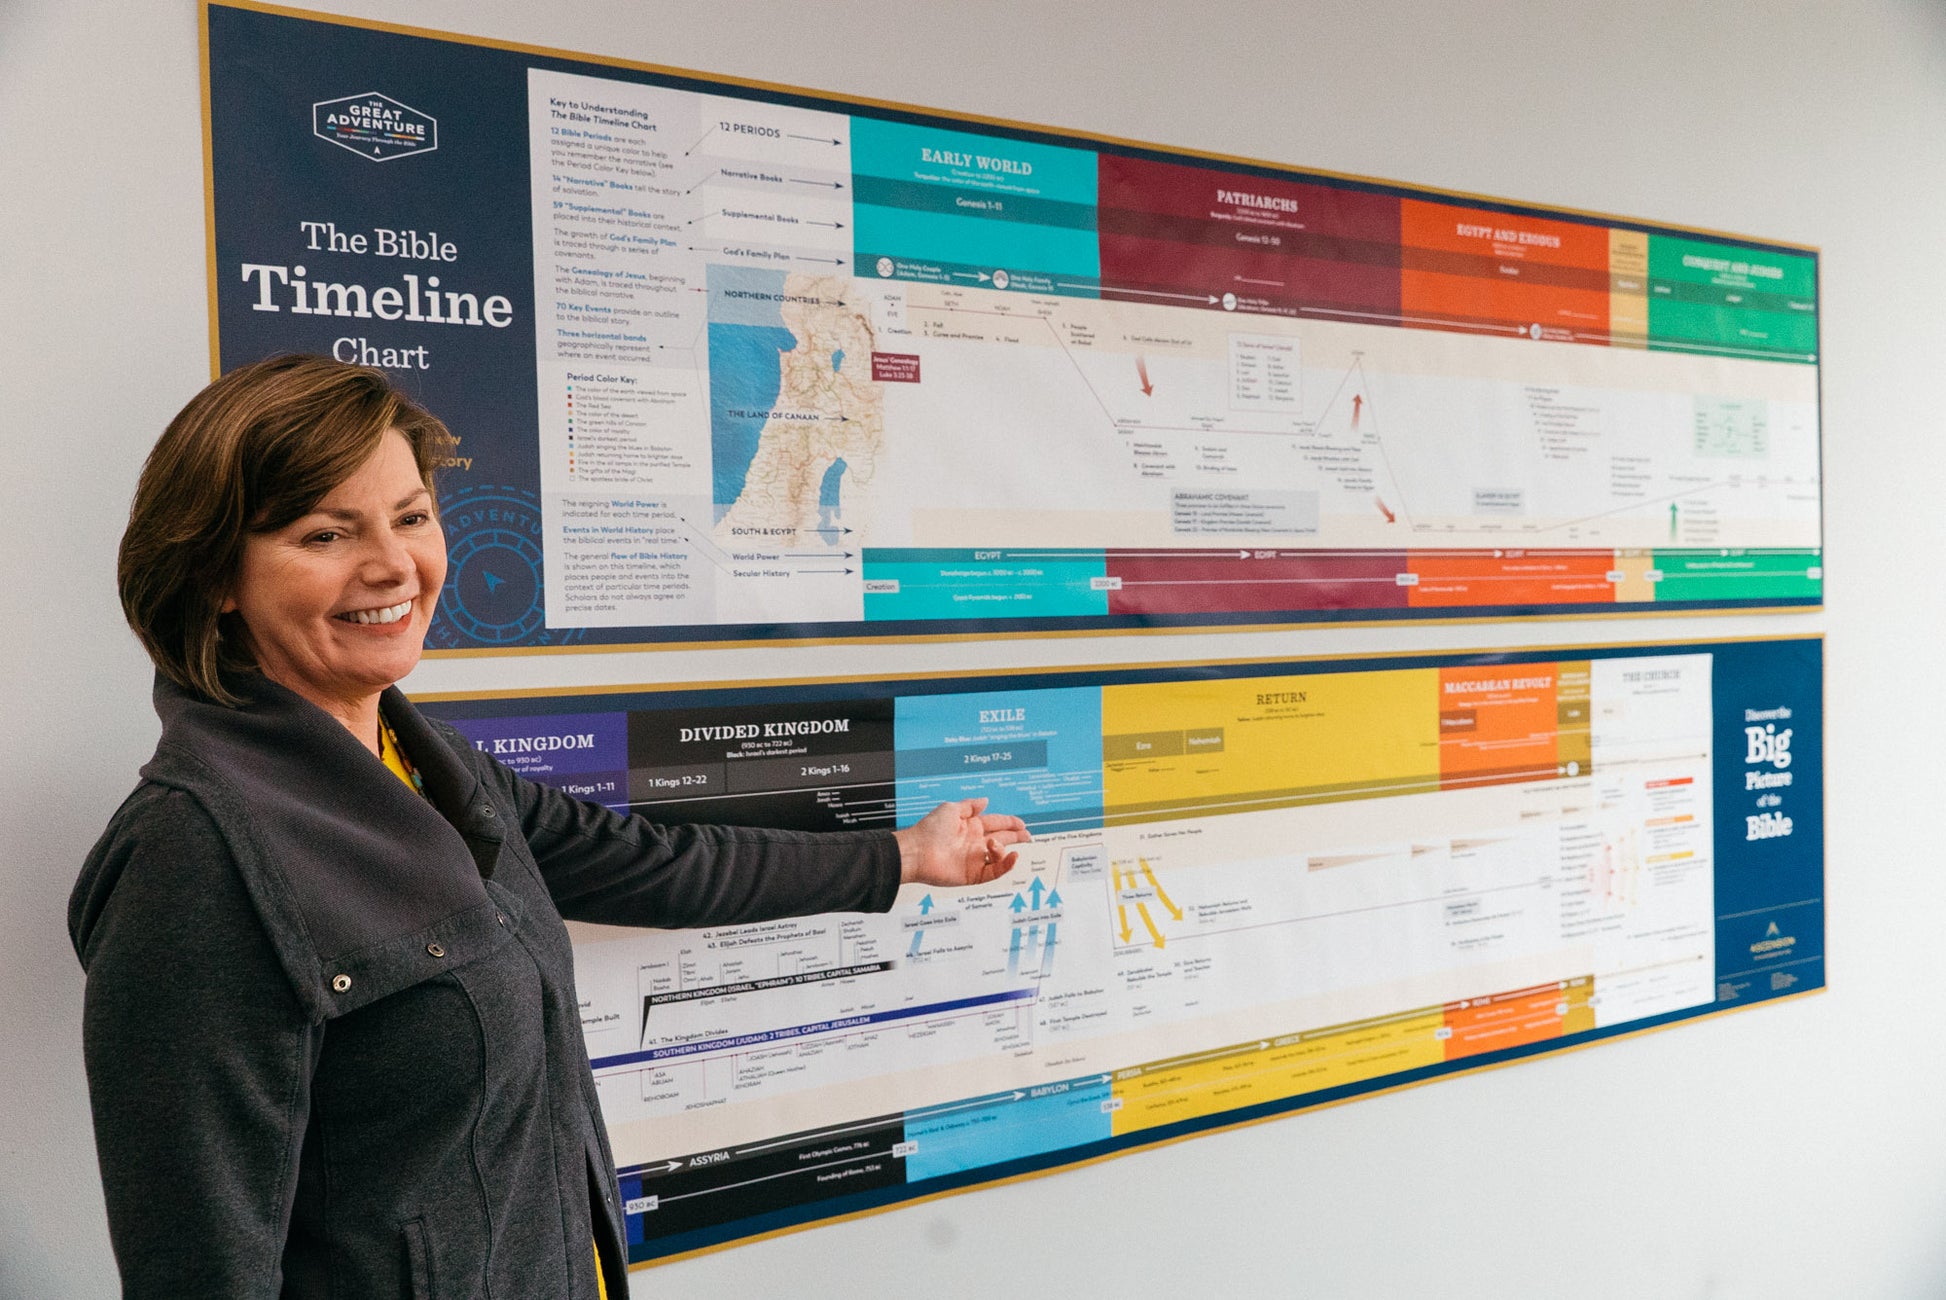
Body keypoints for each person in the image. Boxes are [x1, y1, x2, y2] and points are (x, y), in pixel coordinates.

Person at [70, 354, 1030, 1299]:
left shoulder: (430, 767)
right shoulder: (191, 854)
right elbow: (200, 1268)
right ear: (216, 575)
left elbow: (656, 867)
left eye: (411, 517)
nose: (393, 564)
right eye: (326, 534)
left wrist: (907, 856)